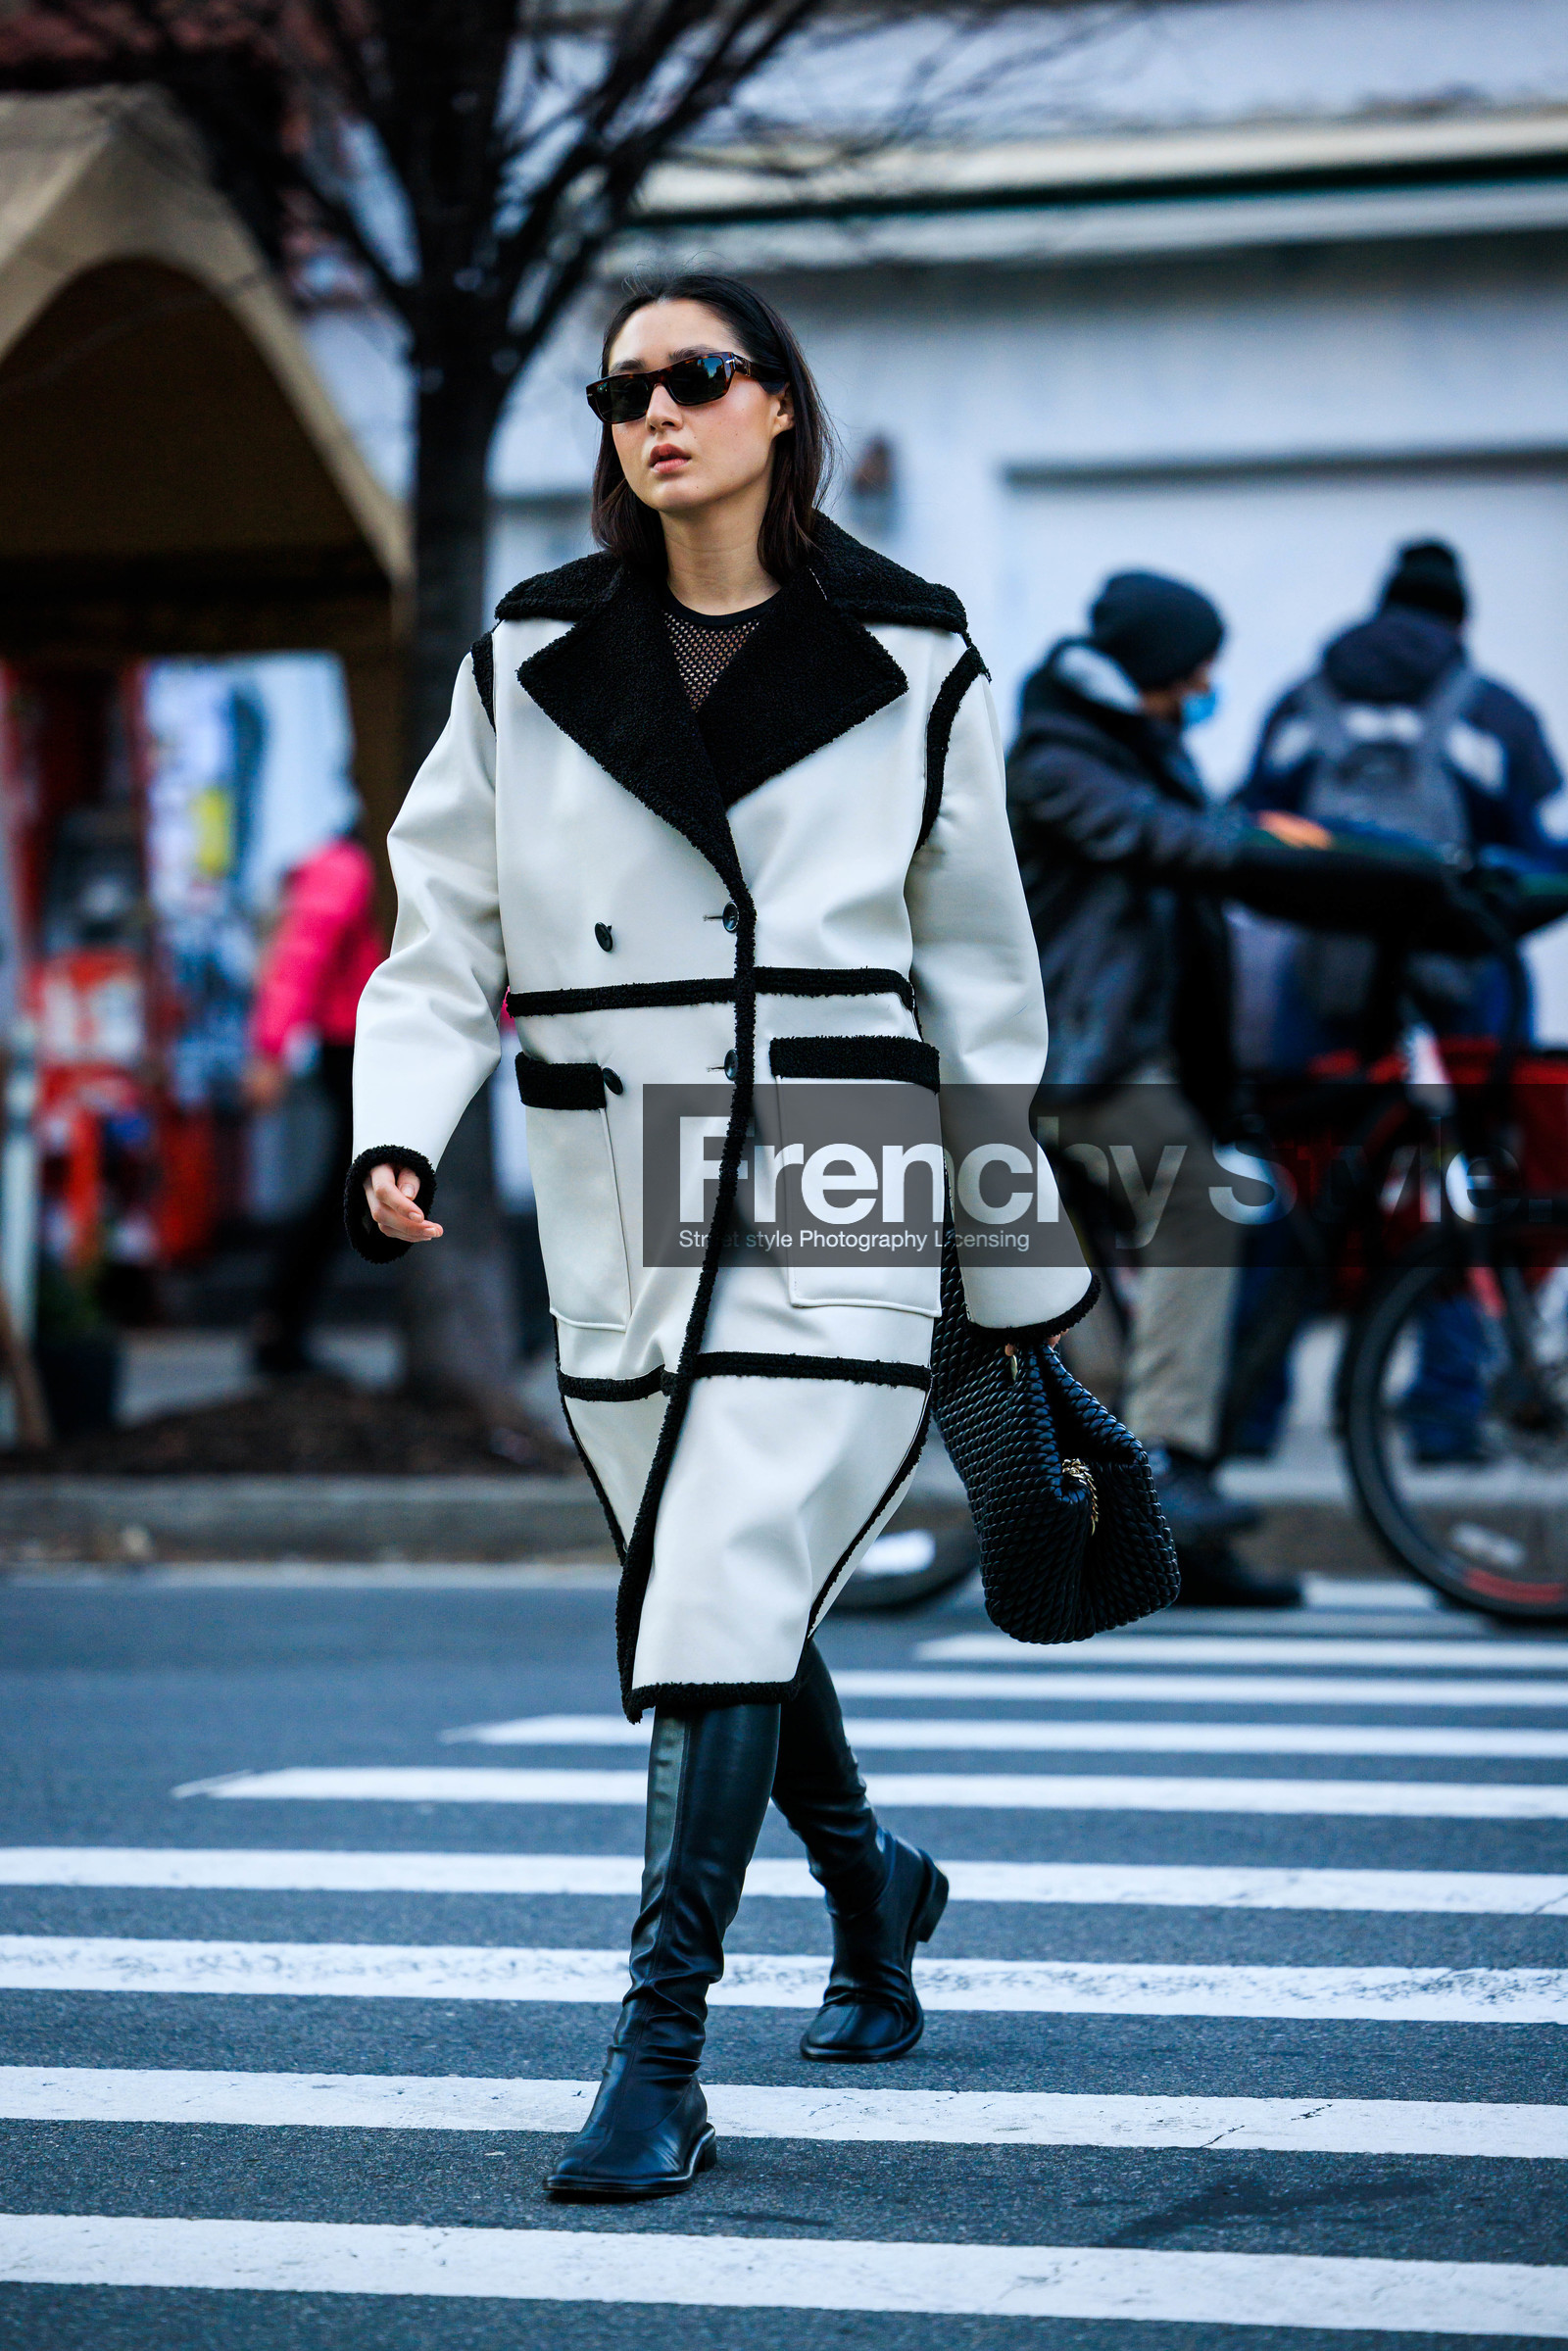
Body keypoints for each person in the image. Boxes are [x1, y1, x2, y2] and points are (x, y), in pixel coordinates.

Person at [345, 272, 1095, 2203]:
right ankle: (876, 1885)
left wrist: (1006, 1269)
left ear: (781, 406)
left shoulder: (912, 648)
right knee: (714, 1572)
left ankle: (654, 2052)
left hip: (839, 1136)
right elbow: (439, 923)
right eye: (620, 388)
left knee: (722, 1563)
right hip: (610, 1166)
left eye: (696, 375)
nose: (653, 411)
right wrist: (396, 1119)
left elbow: (983, 975)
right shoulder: (527, 650)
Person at [1006, 572, 1323, 1602]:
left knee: (1234, 1266)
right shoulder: (1056, 759)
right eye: (1190, 670)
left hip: (1137, 1051)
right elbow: (1166, 842)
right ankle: (1164, 1474)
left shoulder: (1135, 746)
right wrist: (1303, 852)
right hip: (1078, 1057)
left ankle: (1171, 1536)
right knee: (1201, 1208)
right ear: (1144, 669)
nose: (1204, 687)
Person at [1239, 539, 1568, 1461]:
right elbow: (1543, 858)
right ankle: (1446, 1416)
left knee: (1299, 1184)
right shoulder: (1496, 714)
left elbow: (1248, 832)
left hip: (1331, 983)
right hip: (1462, 993)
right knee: (1464, 1188)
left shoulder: (1302, 706)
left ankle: (1249, 1415)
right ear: (1458, 620)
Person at [244, 825, 382, 1375]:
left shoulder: (368, 859)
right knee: (342, 1191)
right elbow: (300, 958)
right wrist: (270, 1052)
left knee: (343, 1190)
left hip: (362, 1044)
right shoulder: (349, 865)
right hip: (352, 1049)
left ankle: (280, 1326)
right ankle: (278, 1327)